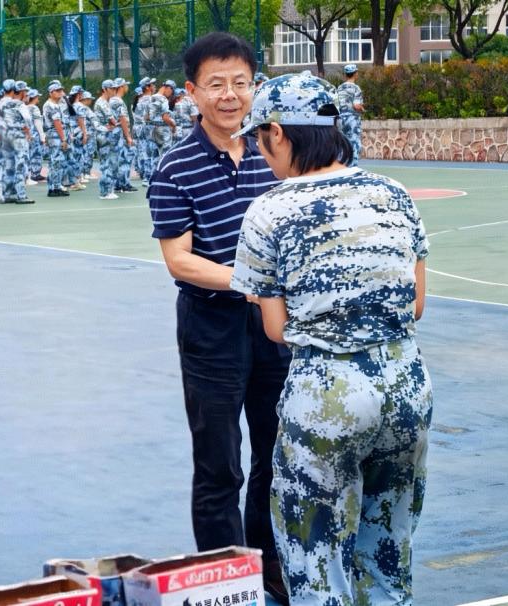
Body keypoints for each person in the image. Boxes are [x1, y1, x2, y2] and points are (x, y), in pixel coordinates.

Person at [229, 71, 433, 605]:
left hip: (328, 392)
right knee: (387, 549)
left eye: (260, 140)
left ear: (277, 133)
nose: (261, 153)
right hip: (406, 385)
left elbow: (275, 328)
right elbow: (415, 304)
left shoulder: (269, 209)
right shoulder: (393, 193)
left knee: (314, 556)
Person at [147, 32, 290, 605]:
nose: (229, 95)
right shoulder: (175, 167)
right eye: (216, 84)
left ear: (255, 86)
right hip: (212, 329)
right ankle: (227, 582)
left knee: (276, 454)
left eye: (240, 83)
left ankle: (269, 565)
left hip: (274, 325)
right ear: (192, 92)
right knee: (219, 463)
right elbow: (179, 259)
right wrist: (251, 282)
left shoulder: (275, 153)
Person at [43, 81, 70, 197]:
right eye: (57, 91)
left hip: (54, 135)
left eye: (61, 90)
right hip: (55, 135)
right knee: (56, 161)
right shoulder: (51, 105)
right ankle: (54, 187)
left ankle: (55, 186)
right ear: (51, 93)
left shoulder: (53, 104)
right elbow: (57, 123)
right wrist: (63, 139)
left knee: (55, 162)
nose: (60, 92)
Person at [93, 79, 120, 200]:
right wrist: (118, 124)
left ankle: (108, 190)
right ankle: (106, 191)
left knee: (110, 163)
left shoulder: (106, 102)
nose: (114, 90)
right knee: (107, 164)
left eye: (115, 88)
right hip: (104, 136)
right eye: (111, 88)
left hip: (106, 134)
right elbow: (112, 120)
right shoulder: (102, 102)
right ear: (104, 89)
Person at [337, 63, 364, 167]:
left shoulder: (339, 88)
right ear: (355, 74)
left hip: (340, 119)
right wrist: (362, 108)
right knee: (354, 143)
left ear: (345, 74)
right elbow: (356, 105)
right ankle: (353, 167)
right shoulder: (356, 88)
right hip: (352, 119)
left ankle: (341, 166)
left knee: (342, 142)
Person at [147, 79, 176, 164]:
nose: (171, 94)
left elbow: (146, 117)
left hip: (151, 129)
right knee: (166, 156)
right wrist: (173, 125)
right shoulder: (163, 99)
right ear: (168, 88)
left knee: (154, 158)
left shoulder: (151, 97)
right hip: (163, 129)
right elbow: (165, 118)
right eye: (172, 91)